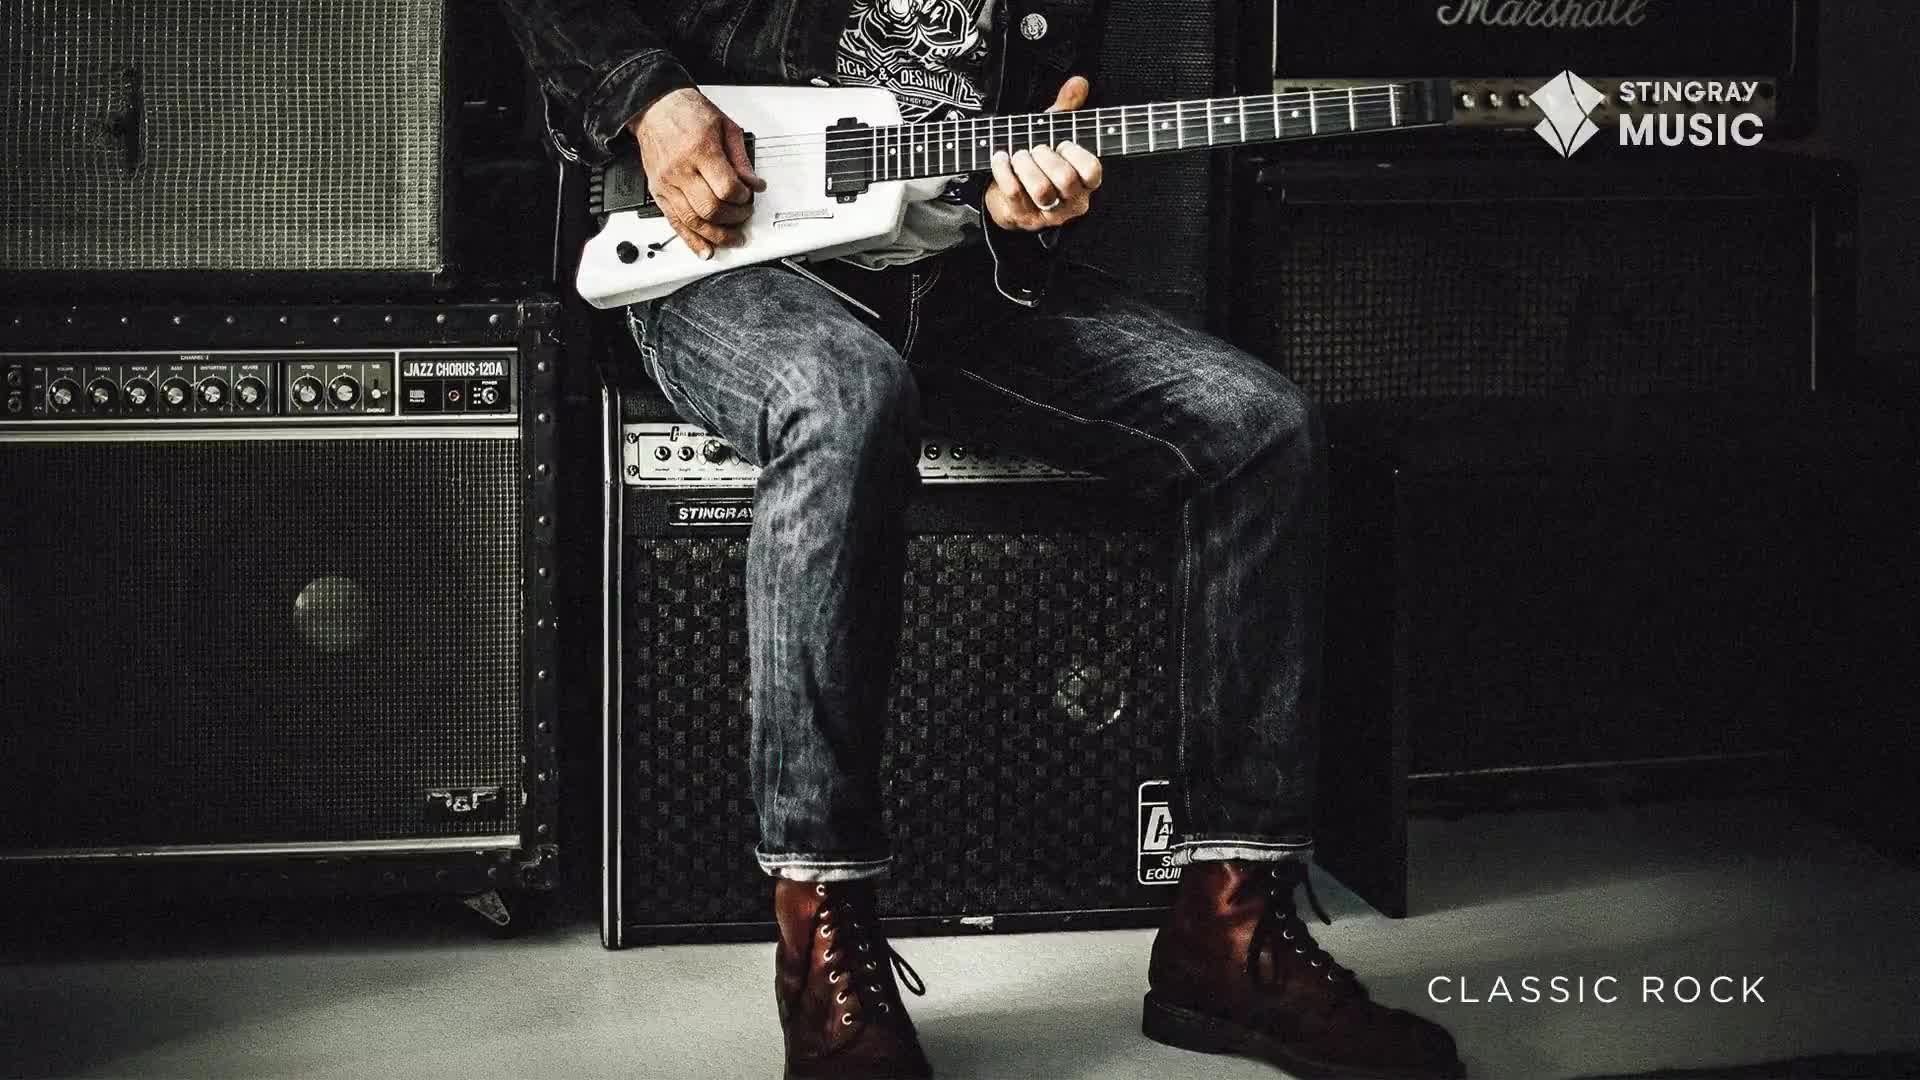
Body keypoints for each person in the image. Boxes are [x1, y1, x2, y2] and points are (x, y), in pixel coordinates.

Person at [501, 1, 1463, 1076]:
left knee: (1260, 428)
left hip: (958, 286)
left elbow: (1028, 146)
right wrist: (651, 101)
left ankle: (1229, 936)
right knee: (843, 396)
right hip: (728, 266)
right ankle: (823, 942)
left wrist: (1029, 209)